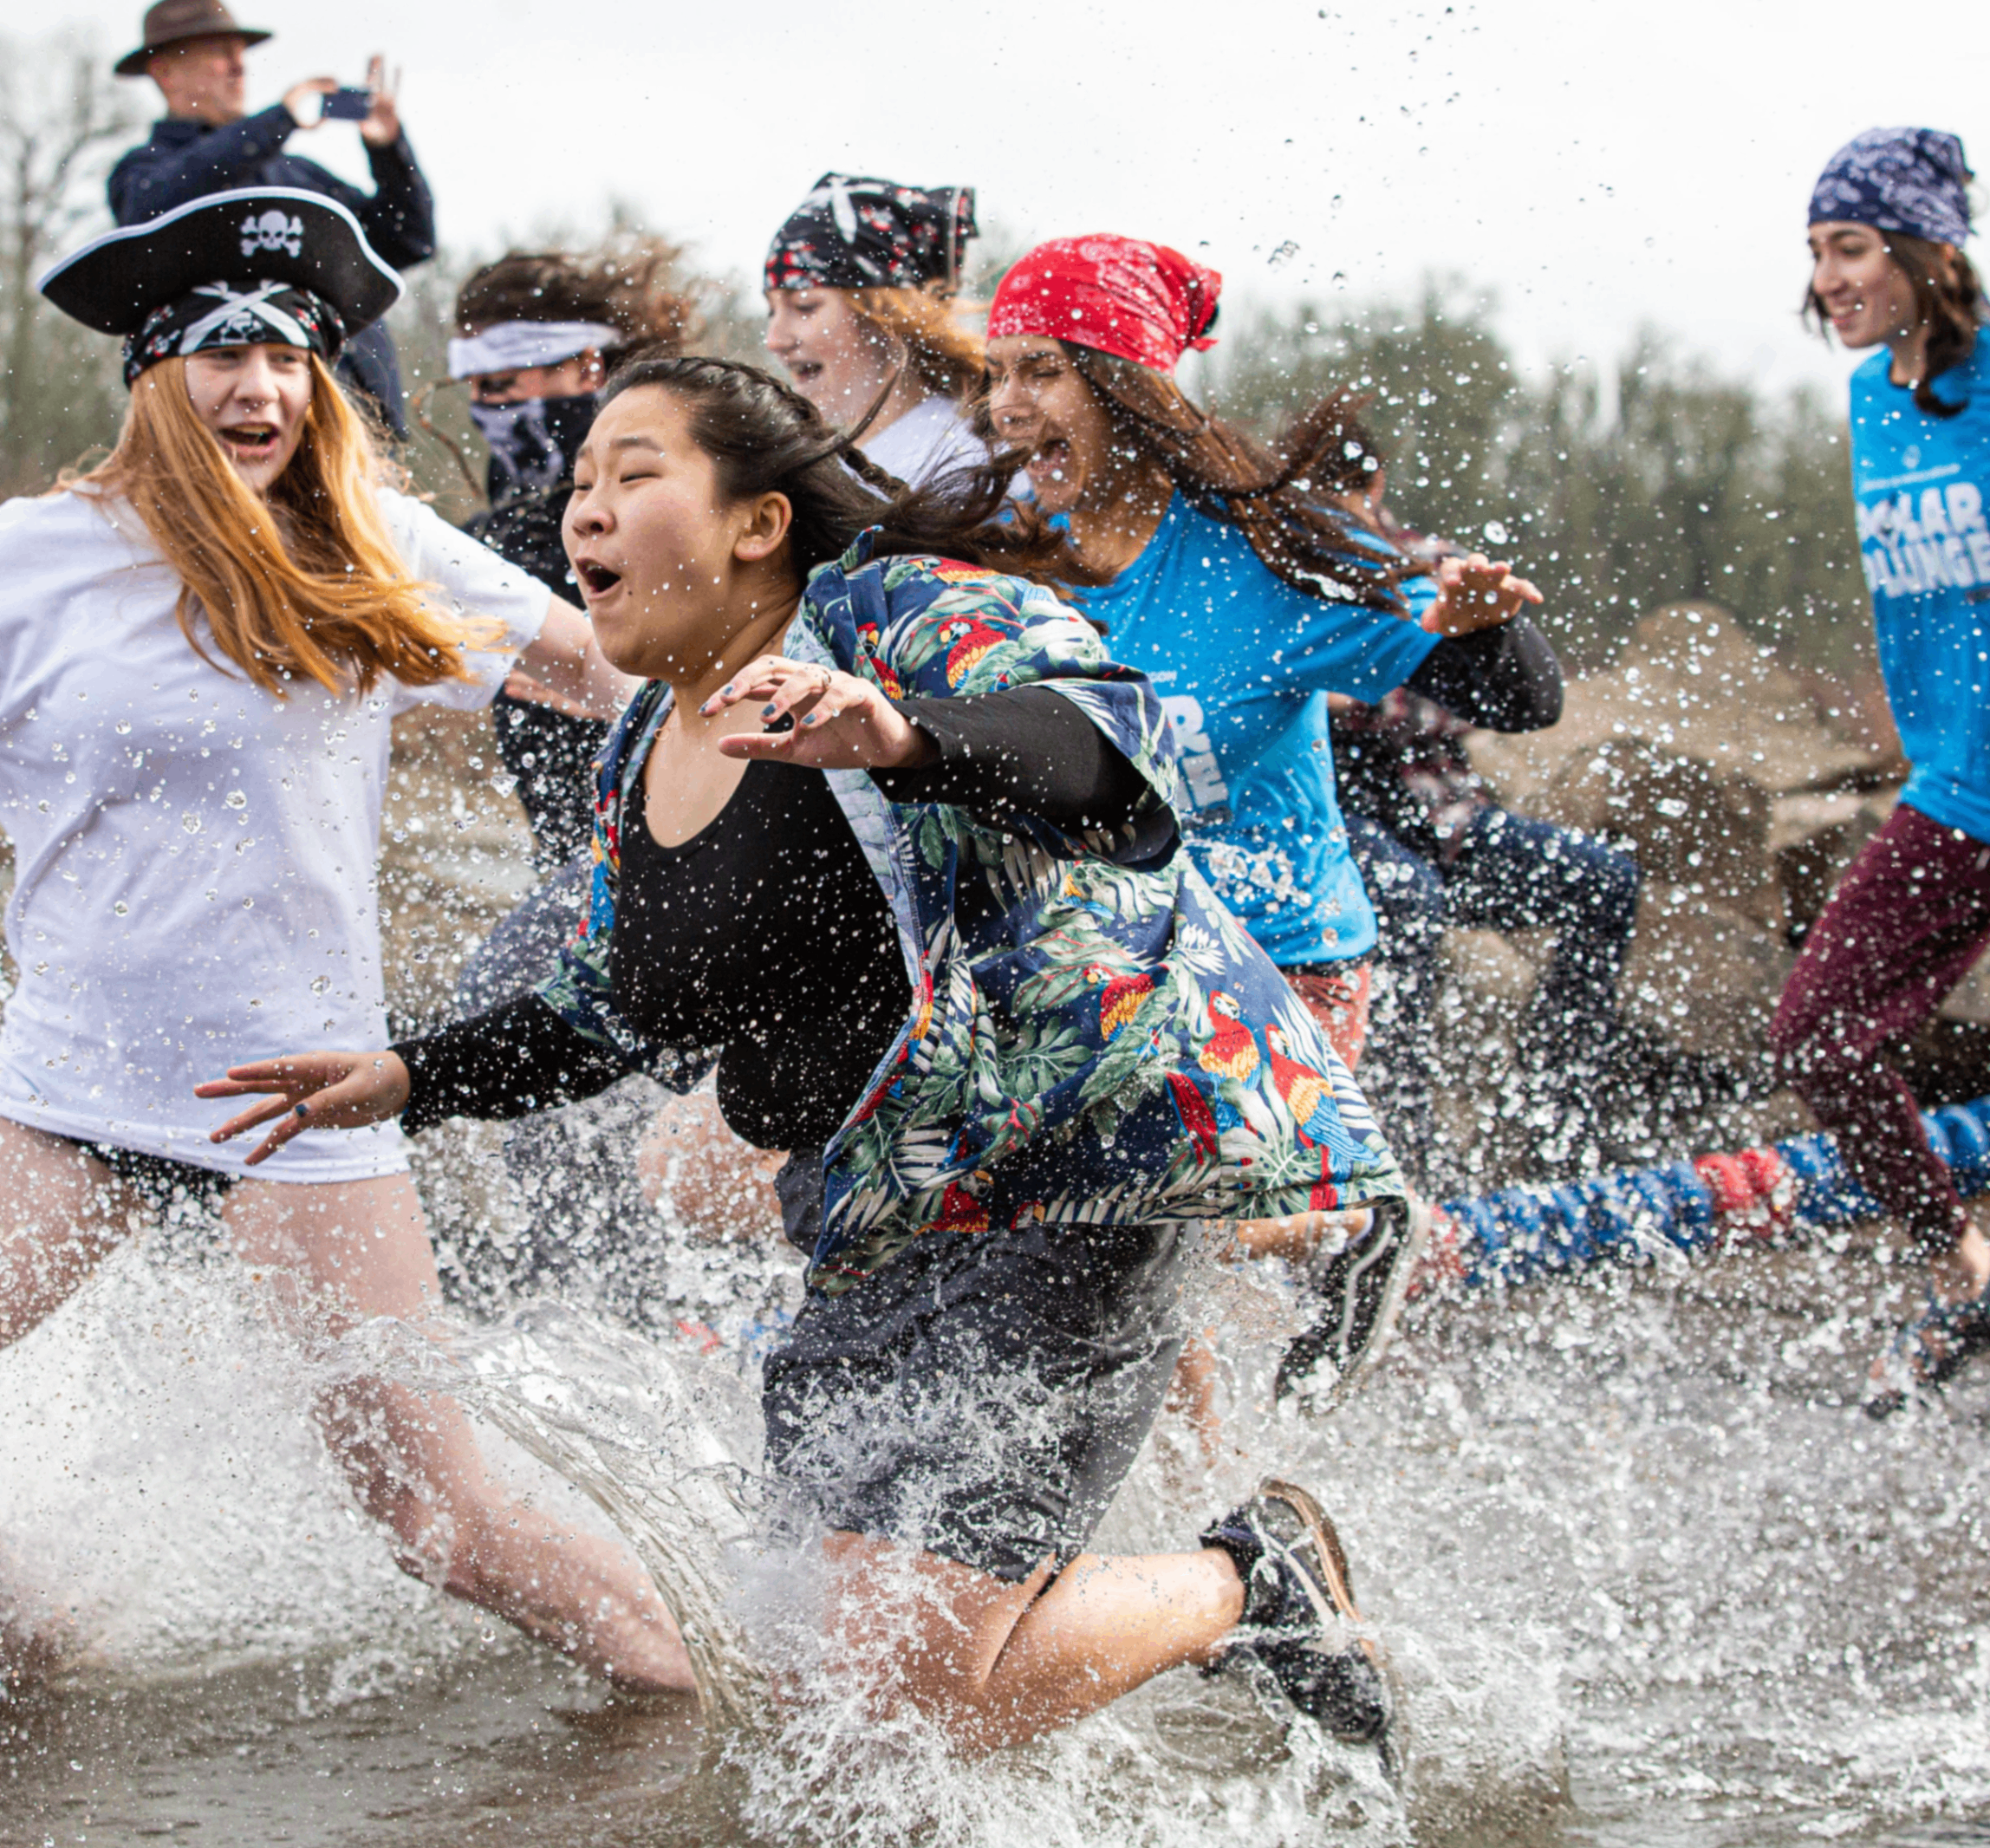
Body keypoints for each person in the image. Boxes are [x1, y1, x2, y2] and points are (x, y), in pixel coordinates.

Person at [201, 353, 1413, 1760]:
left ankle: (1246, 1585)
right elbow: (602, 1011)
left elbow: (1106, 748)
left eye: (633, 474)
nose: (584, 512)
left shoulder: (894, 616)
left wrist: (908, 734)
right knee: (822, 1693)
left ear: (756, 523)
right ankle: (1228, 1602)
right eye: (580, 484)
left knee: (894, 1690)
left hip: (1053, 1181)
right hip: (860, 1224)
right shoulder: (642, 743)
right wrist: (413, 1077)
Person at [2, 186, 690, 1694]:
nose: (259, 388)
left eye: (292, 357)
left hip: (298, 1093)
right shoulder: (29, 562)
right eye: (219, 353)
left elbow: (605, 679)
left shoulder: (368, 545)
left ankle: (709, 1689)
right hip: (66, 1085)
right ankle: (31, 1638)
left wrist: (828, 733)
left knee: (437, 1523)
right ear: (150, 375)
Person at [984, 235, 1564, 1399]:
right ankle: (1205, 1512)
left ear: (1127, 382)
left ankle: (1348, 1218)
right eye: (993, 376)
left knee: (1150, 1228)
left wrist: (1481, 628)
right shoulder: (1007, 558)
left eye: (1040, 371)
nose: (1005, 408)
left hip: (1279, 970)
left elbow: (1522, 698)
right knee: (1142, 1294)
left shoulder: (1262, 555)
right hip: (1111, 960)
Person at [1772, 127, 1990, 1407]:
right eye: (1815, 253)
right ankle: (1958, 1261)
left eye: (1851, 246)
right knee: (1823, 1035)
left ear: (1925, 248)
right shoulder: (1870, 398)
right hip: (1953, 788)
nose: (1828, 277)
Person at [1321, 428, 1641, 1186]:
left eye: (1346, 492)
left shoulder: (1433, 565)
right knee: (1408, 901)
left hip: (1445, 813)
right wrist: (1400, 678)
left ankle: (1556, 1114)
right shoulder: (1282, 574)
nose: (1334, 512)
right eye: (1314, 496)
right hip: (1337, 824)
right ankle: (1402, 1153)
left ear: (1375, 489)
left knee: (1605, 881)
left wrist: (1392, 677)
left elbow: (1499, 699)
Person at [441, 240, 699, 1009]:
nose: (492, 414)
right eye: (477, 391)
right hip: (576, 854)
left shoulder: (667, 490)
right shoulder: (504, 520)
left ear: (587, 368)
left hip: (674, 849)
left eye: (504, 384)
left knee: (492, 1004)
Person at [108, 0, 435, 436]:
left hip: (358, 424)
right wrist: (278, 120)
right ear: (164, 71)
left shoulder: (297, 175)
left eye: (241, 53)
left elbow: (406, 240)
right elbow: (153, 211)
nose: (239, 67)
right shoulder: (144, 173)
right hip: (243, 428)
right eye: (220, 54)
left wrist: (388, 149)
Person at [764, 172, 988, 484]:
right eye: (770, 310)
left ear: (887, 316)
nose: (774, 340)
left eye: (804, 306)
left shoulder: (957, 467)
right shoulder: (840, 464)